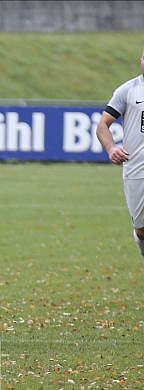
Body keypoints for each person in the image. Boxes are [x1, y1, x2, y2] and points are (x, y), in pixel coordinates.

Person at [96, 47, 144, 260]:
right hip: (137, 170)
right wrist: (112, 148)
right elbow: (103, 125)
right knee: (142, 230)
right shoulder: (128, 90)